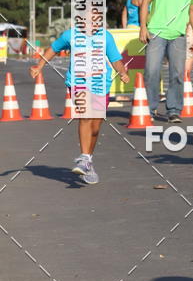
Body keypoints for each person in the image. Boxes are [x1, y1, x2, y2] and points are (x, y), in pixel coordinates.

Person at [30, 24, 130, 184]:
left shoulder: (105, 36)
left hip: (100, 84)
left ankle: (88, 161)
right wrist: (39, 66)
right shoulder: (70, 35)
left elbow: (115, 59)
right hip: (78, 83)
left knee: (96, 127)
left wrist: (123, 72)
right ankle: (84, 158)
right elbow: (54, 48)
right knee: (85, 116)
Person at [140, 0, 193, 123]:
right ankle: (149, 108)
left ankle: (173, 110)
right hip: (156, 31)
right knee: (152, 71)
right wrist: (143, 27)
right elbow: (145, 2)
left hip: (178, 34)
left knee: (177, 74)